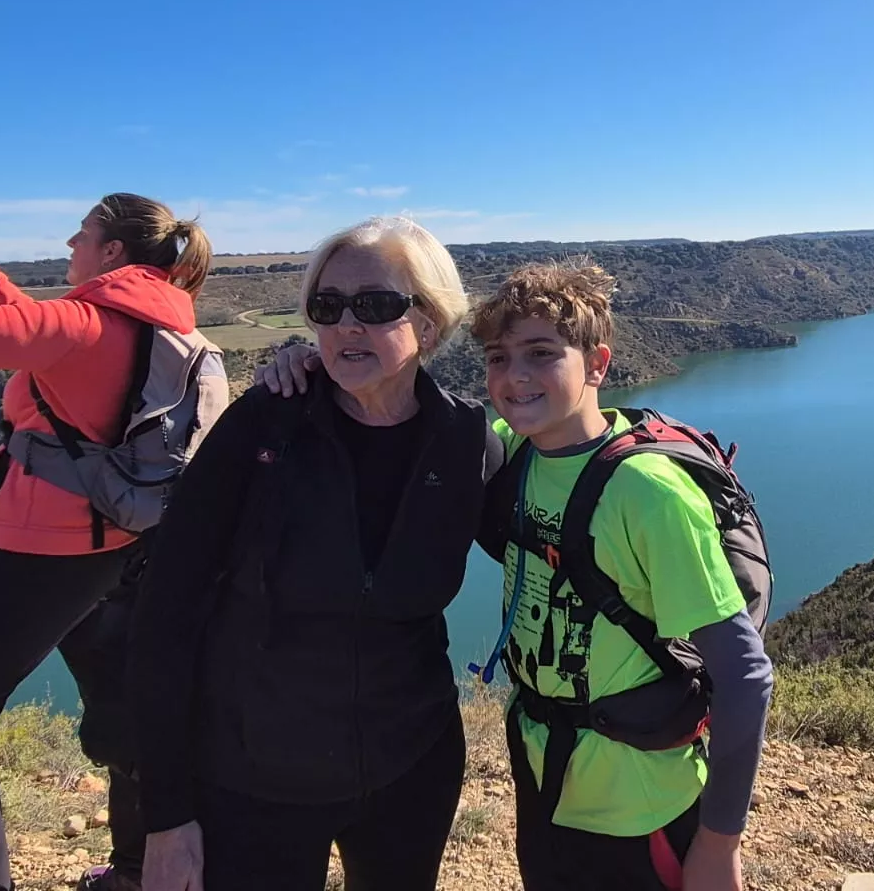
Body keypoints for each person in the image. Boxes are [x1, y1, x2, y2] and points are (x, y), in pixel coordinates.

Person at [261, 260, 775, 891]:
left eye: (541, 353)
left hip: (640, 802)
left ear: (597, 365)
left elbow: (744, 675)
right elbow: (406, 409)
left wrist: (720, 846)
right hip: (547, 780)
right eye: (499, 357)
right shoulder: (515, 450)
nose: (516, 377)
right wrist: (308, 365)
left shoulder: (647, 493)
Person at [130, 216, 504, 891]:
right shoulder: (261, 427)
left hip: (411, 765)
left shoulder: (468, 440)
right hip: (252, 780)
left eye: (375, 305)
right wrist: (166, 815)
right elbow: (164, 617)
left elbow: (552, 539)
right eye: (326, 308)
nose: (346, 326)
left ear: (429, 320)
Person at [0, 194, 218, 891]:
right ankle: (135, 871)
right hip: (122, 541)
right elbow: (46, 337)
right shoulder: (156, 318)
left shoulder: (83, 321)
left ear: (112, 253)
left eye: (83, 233)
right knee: (121, 708)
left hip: (47, 548)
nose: (71, 242)